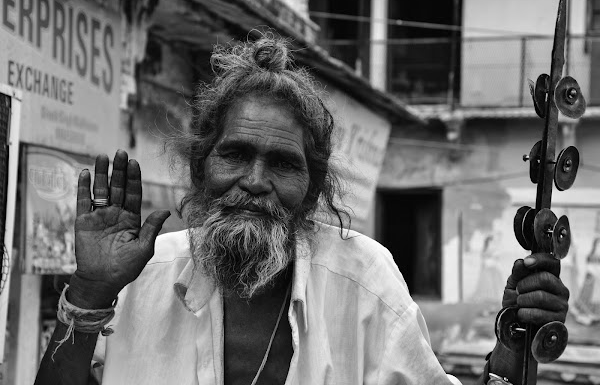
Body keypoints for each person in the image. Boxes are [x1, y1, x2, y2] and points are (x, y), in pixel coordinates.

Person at [35, 34, 569, 385]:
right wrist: (88, 294)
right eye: (236, 154)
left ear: (312, 192)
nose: (255, 182)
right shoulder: (139, 279)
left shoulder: (364, 285)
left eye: (283, 164)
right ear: (201, 170)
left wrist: (511, 342)